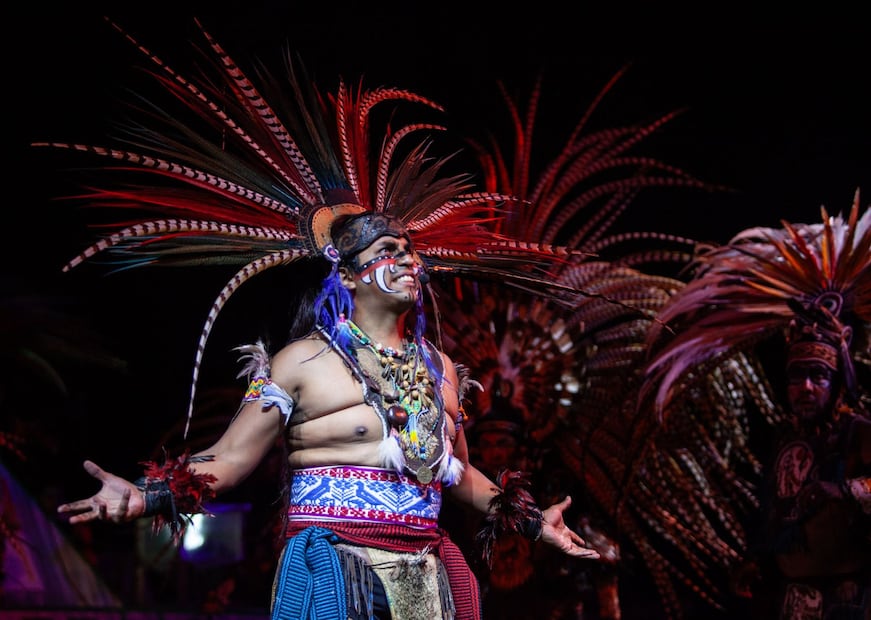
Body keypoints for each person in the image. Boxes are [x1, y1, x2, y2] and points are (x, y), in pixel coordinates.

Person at [47, 19, 601, 620]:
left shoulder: (441, 369)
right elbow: (229, 459)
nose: (407, 261)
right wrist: (146, 495)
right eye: (387, 253)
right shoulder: (301, 362)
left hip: (426, 575)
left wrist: (533, 521)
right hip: (338, 571)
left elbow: (460, 474)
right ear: (350, 275)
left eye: (409, 251)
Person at [733, 299, 871, 619]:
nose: (805, 388)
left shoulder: (858, 432)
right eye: (796, 377)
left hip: (851, 600)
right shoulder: (784, 439)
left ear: (837, 383)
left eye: (817, 376)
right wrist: (756, 559)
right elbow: (773, 510)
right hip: (794, 601)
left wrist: (845, 491)